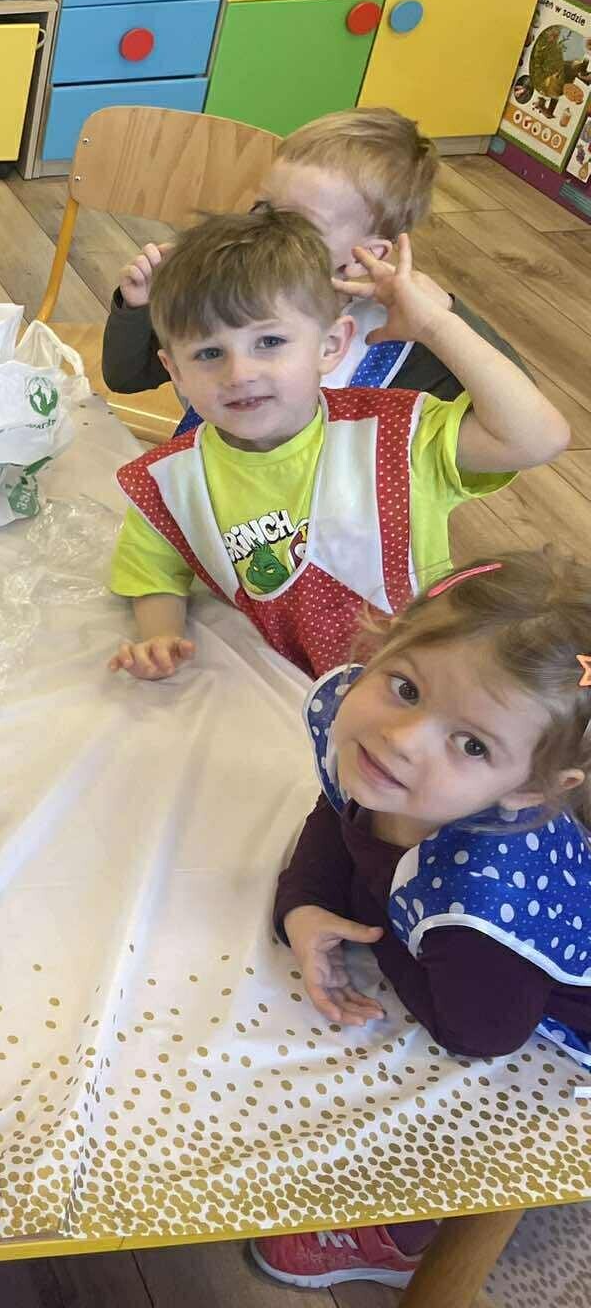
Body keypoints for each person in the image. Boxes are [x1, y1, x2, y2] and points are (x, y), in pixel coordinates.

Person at [256, 550, 591, 1289]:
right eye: (405, 687)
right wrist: (305, 903)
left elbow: (482, 1034)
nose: (403, 738)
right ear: (383, 646)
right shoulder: (387, 759)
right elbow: (341, 809)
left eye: (472, 745)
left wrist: (375, 918)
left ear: (532, 790)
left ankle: (399, 1233)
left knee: (461, 1115)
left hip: (548, 1030)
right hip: (478, 961)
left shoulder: (481, 907)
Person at [107, 209, 566, 682]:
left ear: (330, 346)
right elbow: (153, 570)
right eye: (209, 353)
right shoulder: (170, 480)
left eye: (269, 342)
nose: (239, 373)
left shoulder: (395, 434)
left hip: (426, 687)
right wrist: (160, 638)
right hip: (287, 696)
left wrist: (435, 324)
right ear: (175, 371)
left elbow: (538, 439)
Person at [101, 106, 521, 426]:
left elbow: (519, 414)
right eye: (263, 207)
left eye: (298, 222)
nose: (268, 227)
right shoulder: (220, 286)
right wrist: (139, 307)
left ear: (365, 255)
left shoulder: (398, 339)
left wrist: (443, 318)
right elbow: (127, 377)